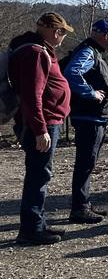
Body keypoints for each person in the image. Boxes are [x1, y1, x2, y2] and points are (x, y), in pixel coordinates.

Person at [8, 12, 73, 245]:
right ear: (53, 31)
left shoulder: (36, 50)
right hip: (42, 123)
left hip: (45, 122)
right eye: (61, 31)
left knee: (40, 173)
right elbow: (31, 95)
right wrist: (40, 130)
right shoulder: (35, 53)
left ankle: (39, 223)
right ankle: (31, 229)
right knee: (38, 174)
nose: (62, 36)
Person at [61, 19, 108, 224]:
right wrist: (90, 93)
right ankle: (79, 208)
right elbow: (72, 72)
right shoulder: (88, 52)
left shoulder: (92, 52)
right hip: (90, 117)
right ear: (106, 35)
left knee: (88, 162)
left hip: (94, 117)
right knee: (85, 163)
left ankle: (84, 204)